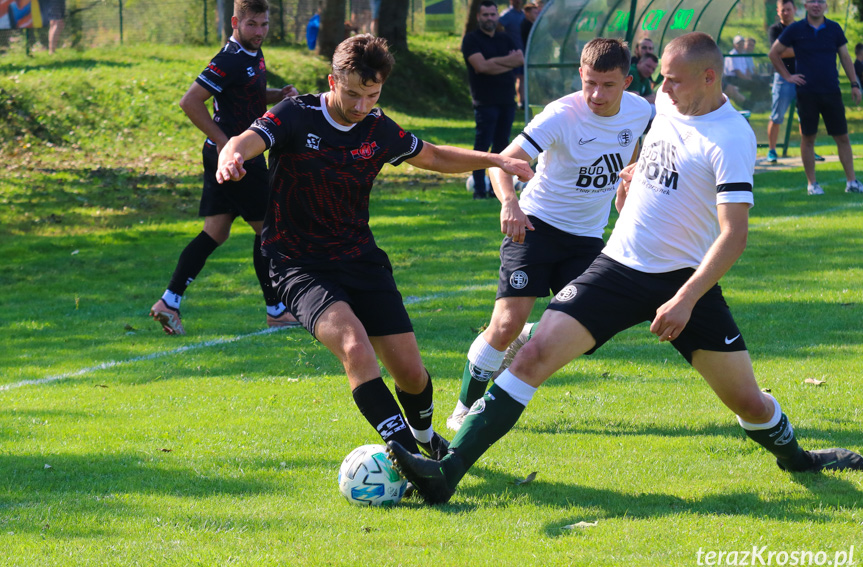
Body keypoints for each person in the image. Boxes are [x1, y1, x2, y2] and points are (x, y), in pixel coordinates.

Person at [388, 32, 863, 505]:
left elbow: (733, 235)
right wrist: (633, 180)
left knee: (747, 401)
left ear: (709, 76)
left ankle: (799, 459)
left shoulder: (732, 137)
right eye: (665, 80)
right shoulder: (667, 99)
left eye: (675, 81)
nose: (664, 89)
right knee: (531, 357)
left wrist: (685, 299)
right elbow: (656, 158)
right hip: (616, 265)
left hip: (682, 282)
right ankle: (445, 476)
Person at [214, 35, 533, 463]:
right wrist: (230, 156)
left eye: (373, 94)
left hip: (360, 259)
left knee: (412, 375)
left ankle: (425, 438)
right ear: (333, 80)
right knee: (354, 345)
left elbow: (435, 157)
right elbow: (247, 139)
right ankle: (407, 454)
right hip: (298, 263)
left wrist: (495, 160)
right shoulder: (296, 114)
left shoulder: (377, 128)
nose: (362, 105)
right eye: (352, 94)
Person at [445, 38, 651, 432]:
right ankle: (462, 409)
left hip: (588, 236)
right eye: (590, 82)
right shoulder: (561, 115)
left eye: (608, 85)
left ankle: (530, 334)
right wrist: (510, 203)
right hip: (536, 227)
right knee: (504, 325)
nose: (596, 94)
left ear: (627, 82)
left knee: (589, 329)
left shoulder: (641, 111)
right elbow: (501, 163)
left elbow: (642, 150)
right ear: (580, 74)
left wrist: (634, 174)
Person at [150, 0, 300, 336]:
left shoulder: (251, 54)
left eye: (263, 24)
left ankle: (169, 302)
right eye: (252, 25)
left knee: (215, 232)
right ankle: (276, 309)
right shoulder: (229, 58)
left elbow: (245, 96)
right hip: (238, 158)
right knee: (269, 229)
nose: (259, 32)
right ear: (235, 22)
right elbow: (190, 101)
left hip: (234, 154)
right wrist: (223, 142)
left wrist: (278, 94)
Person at [769, 0, 863, 195]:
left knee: (843, 137)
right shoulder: (796, 29)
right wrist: (788, 76)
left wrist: (854, 84)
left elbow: (845, 57)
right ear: (805, 5)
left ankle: (852, 182)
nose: (816, 5)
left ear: (826, 5)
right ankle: (812, 184)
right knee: (808, 137)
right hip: (807, 93)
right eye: (812, 1)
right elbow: (773, 53)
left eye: (820, 1)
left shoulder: (834, 29)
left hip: (831, 91)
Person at [462, 0, 524, 200]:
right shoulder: (471, 40)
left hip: (507, 99)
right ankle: (479, 189)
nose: (489, 18)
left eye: (492, 14)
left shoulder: (505, 38)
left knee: (502, 147)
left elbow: (520, 60)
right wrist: (506, 62)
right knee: (482, 147)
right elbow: (481, 67)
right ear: (478, 17)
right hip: (485, 101)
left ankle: (497, 189)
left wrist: (492, 63)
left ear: (497, 16)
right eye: (485, 15)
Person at [766, 0, 798, 163]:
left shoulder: (802, 28)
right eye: (782, 10)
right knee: (777, 116)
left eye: (788, 9)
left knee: (806, 116)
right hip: (783, 78)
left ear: (795, 10)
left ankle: (808, 149)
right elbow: (778, 53)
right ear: (778, 12)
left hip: (802, 77)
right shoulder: (775, 30)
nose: (786, 12)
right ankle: (772, 150)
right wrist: (800, 49)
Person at [499, 0, 526, 109]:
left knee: (522, 77)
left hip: (523, 51)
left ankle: (522, 102)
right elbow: (498, 25)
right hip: (511, 52)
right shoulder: (507, 14)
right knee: (513, 77)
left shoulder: (523, 14)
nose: (518, 1)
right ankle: (510, 99)